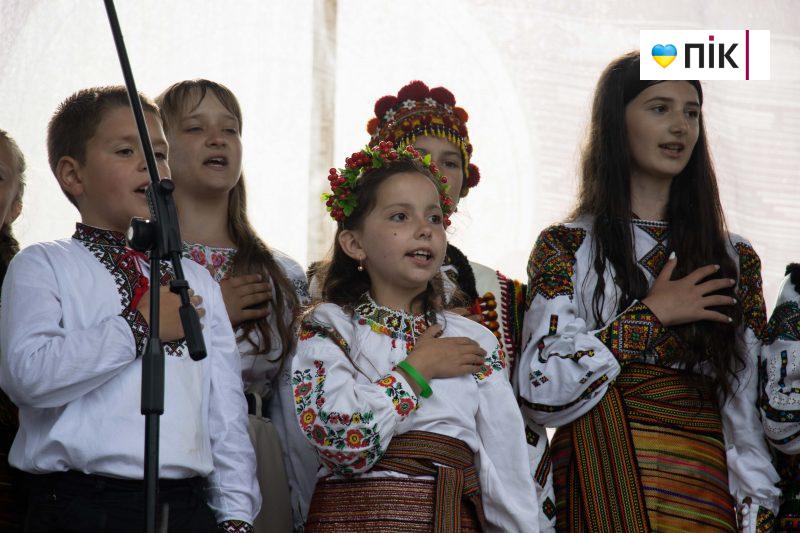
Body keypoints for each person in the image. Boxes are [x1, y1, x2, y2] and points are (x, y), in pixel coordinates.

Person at [517, 51, 780, 532]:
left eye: (692, 112)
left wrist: (757, 511)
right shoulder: (568, 244)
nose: (680, 125)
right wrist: (652, 314)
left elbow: (743, 407)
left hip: (702, 489)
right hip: (598, 479)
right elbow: (540, 387)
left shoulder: (734, 257)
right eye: (659, 108)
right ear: (617, 123)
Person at [0, 86, 259, 532]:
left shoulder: (195, 279)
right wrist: (140, 327)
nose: (150, 165)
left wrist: (236, 515)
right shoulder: (43, 264)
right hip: (80, 505)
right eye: (125, 150)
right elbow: (28, 376)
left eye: (159, 154)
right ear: (72, 175)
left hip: (187, 507)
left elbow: (226, 414)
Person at [294, 142, 539, 531]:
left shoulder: (474, 340)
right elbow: (338, 441)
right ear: (354, 243)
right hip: (351, 520)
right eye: (399, 216)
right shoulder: (329, 325)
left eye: (435, 218)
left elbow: (506, 469)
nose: (424, 229)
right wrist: (415, 372)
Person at [157, 79, 317, 531]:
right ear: (158, 151)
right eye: (193, 128)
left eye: (230, 128)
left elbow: (293, 403)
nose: (217, 138)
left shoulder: (280, 274)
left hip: (256, 452)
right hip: (164, 449)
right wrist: (209, 318)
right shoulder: (140, 263)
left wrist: (307, 505)